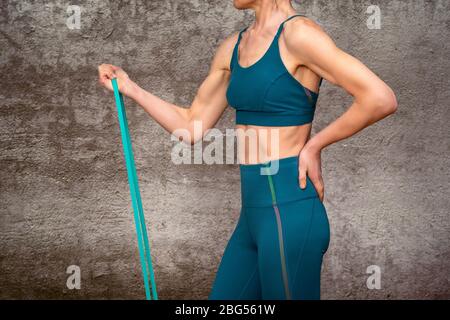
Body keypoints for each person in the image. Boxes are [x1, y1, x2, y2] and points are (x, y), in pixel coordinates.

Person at [98, 0, 397, 300]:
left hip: (290, 213)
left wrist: (314, 145)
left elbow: (380, 98)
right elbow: (191, 126)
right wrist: (130, 89)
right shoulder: (234, 47)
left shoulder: (299, 35)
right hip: (252, 219)